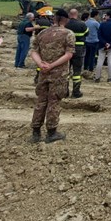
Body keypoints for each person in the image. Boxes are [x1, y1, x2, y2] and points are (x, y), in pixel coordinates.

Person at [29, 9, 75, 143]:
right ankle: (51, 132)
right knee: (54, 102)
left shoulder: (42, 33)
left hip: (43, 73)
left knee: (41, 101)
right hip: (58, 74)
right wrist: (52, 65)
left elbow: (33, 51)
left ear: (54, 19)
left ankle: (36, 133)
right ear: (65, 20)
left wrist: (41, 64)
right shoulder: (68, 34)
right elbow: (69, 54)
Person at [65, 8, 88, 98]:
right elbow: (87, 33)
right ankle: (76, 92)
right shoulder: (82, 24)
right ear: (77, 14)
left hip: (67, 50)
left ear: (69, 14)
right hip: (79, 49)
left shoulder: (65, 24)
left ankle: (64, 91)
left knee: (66, 71)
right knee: (77, 71)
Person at [94, 10, 111, 82]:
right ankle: (110, 77)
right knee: (110, 62)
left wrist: (105, 43)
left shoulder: (102, 24)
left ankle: (97, 77)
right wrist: (110, 44)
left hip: (102, 45)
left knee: (100, 62)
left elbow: (99, 35)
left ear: (108, 16)